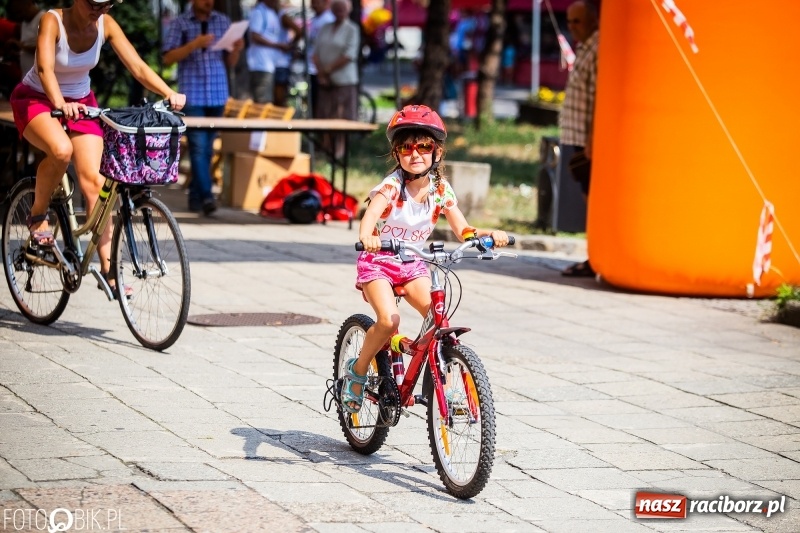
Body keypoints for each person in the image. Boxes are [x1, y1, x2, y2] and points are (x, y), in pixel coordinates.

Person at [8, 0, 186, 297]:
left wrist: (168, 92)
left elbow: (138, 66)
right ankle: (38, 216)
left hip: (82, 105)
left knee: (97, 183)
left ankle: (109, 269)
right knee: (61, 151)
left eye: (108, 5)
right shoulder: (53, 21)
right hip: (38, 99)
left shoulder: (105, 24)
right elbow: (45, 68)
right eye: (94, 4)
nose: (100, 11)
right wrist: (60, 104)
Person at [341, 104, 509, 413]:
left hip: (412, 264)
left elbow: (463, 229)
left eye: (424, 146)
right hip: (378, 262)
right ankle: (358, 371)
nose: (415, 153)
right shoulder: (392, 186)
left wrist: (488, 235)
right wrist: (368, 236)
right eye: (407, 147)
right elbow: (371, 215)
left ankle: (441, 377)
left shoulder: (440, 189)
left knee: (437, 317)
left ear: (437, 153)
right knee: (389, 320)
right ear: (397, 154)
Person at [162, 0, 243, 215]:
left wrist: (236, 50)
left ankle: (196, 198)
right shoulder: (181, 23)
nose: (208, 2)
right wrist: (193, 45)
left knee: (207, 149)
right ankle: (207, 196)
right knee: (198, 147)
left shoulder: (223, 21)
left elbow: (231, 62)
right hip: (193, 94)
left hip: (217, 94)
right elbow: (167, 58)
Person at [559, 0, 598, 278]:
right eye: (569, 21)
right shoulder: (586, 46)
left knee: (592, 199)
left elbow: (599, 96)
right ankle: (593, 255)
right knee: (587, 197)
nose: (572, 27)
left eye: (578, 21)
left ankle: (595, 257)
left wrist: (594, 139)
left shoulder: (597, 48)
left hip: (587, 138)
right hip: (576, 135)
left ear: (594, 20)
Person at [312, 0, 358, 157]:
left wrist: (328, 69)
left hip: (343, 80)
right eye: (336, 9)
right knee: (324, 114)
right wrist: (321, 73)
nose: (339, 12)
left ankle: (339, 150)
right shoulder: (325, 28)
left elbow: (349, 55)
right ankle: (325, 147)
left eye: (342, 9)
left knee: (341, 117)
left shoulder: (352, 29)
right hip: (324, 81)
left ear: (348, 10)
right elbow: (315, 52)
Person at [246, 0, 281, 104]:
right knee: (263, 103)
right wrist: (277, 45)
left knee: (266, 100)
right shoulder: (259, 12)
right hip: (260, 65)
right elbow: (255, 35)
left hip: (268, 65)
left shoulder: (271, 12)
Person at [306, 0, 334, 118]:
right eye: (313, 2)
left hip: (321, 67)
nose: (314, 5)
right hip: (314, 66)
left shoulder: (327, 19)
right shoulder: (316, 19)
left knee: (322, 104)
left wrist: (322, 70)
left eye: (318, 2)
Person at [272, 4, 303, 106]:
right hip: (274, 62)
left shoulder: (281, 14)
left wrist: (290, 46)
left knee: (279, 98)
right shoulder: (267, 12)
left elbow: (298, 31)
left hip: (281, 62)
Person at [8, 0, 44, 75]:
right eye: (16, 13)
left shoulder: (44, 19)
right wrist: (17, 53)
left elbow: (46, 49)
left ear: (28, 3)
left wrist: (20, 45)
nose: (19, 16)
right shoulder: (25, 22)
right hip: (27, 76)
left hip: (40, 79)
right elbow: (27, 46)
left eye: (20, 11)